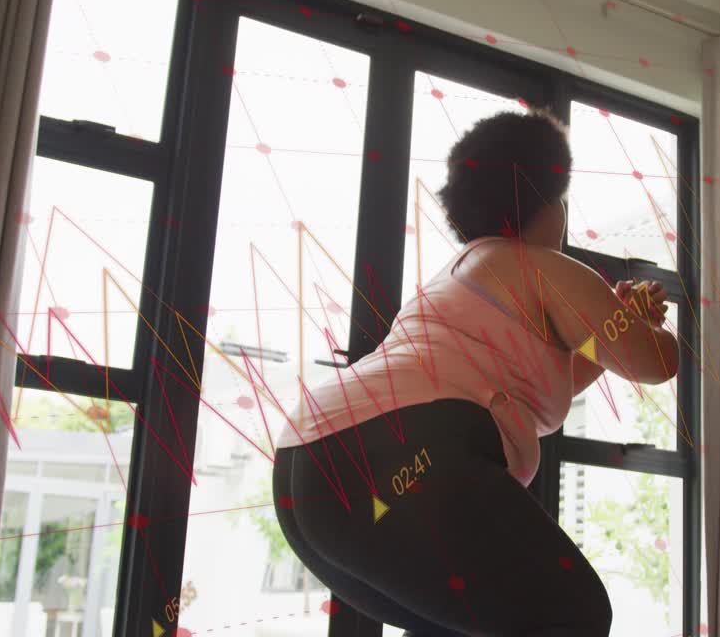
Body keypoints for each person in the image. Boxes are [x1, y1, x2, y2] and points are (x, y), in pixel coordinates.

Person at [271, 109, 679, 636]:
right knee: (575, 614)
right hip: (392, 450)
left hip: (310, 476)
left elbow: (557, 377)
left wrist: (617, 321)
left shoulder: (459, 280)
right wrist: (646, 324)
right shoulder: (538, 266)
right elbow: (653, 362)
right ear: (546, 201)